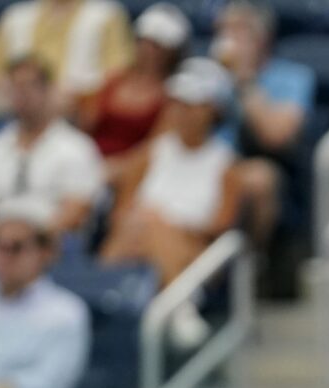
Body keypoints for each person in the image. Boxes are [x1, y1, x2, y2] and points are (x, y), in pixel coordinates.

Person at [99, 57, 240, 348]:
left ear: (212, 110)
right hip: (135, 241)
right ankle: (180, 307)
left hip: (195, 254)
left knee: (152, 224)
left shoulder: (226, 165)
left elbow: (219, 227)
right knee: (142, 226)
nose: (183, 112)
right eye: (178, 103)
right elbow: (121, 211)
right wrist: (149, 226)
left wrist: (166, 224)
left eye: (192, 104)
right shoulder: (150, 153)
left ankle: (158, 302)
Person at [210, 0, 314, 254]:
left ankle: (249, 270)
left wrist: (245, 81)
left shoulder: (293, 77)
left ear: (262, 38)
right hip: (204, 162)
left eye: (238, 31)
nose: (228, 40)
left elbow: (276, 136)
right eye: (223, 31)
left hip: (256, 166)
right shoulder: (207, 77)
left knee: (258, 180)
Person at [0, 56, 104, 246]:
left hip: (52, 248)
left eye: (30, 86)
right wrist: (1, 243)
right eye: (15, 87)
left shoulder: (77, 148)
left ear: (48, 90)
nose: (22, 94)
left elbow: (76, 212)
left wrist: (27, 242)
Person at [0, 195, 89, 388]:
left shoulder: (66, 312)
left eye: (15, 247)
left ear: (45, 252)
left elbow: (51, 385)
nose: (2, 256)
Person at [75, 3, 190, 179]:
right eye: (144, 42)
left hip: (133, 175)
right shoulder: (112, 81)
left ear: (171, 52)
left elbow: (155, 149)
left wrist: (115, 169)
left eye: (156, 46)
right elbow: (85, 127)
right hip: (90, 163)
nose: (148, 51)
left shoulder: (173, 95)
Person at [0, 0, 133, 102]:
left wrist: (79, 93)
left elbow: (119, 71)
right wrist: (19, 88)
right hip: (14, 103)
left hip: (77, 104)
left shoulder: (107, 15)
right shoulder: (15, 16)